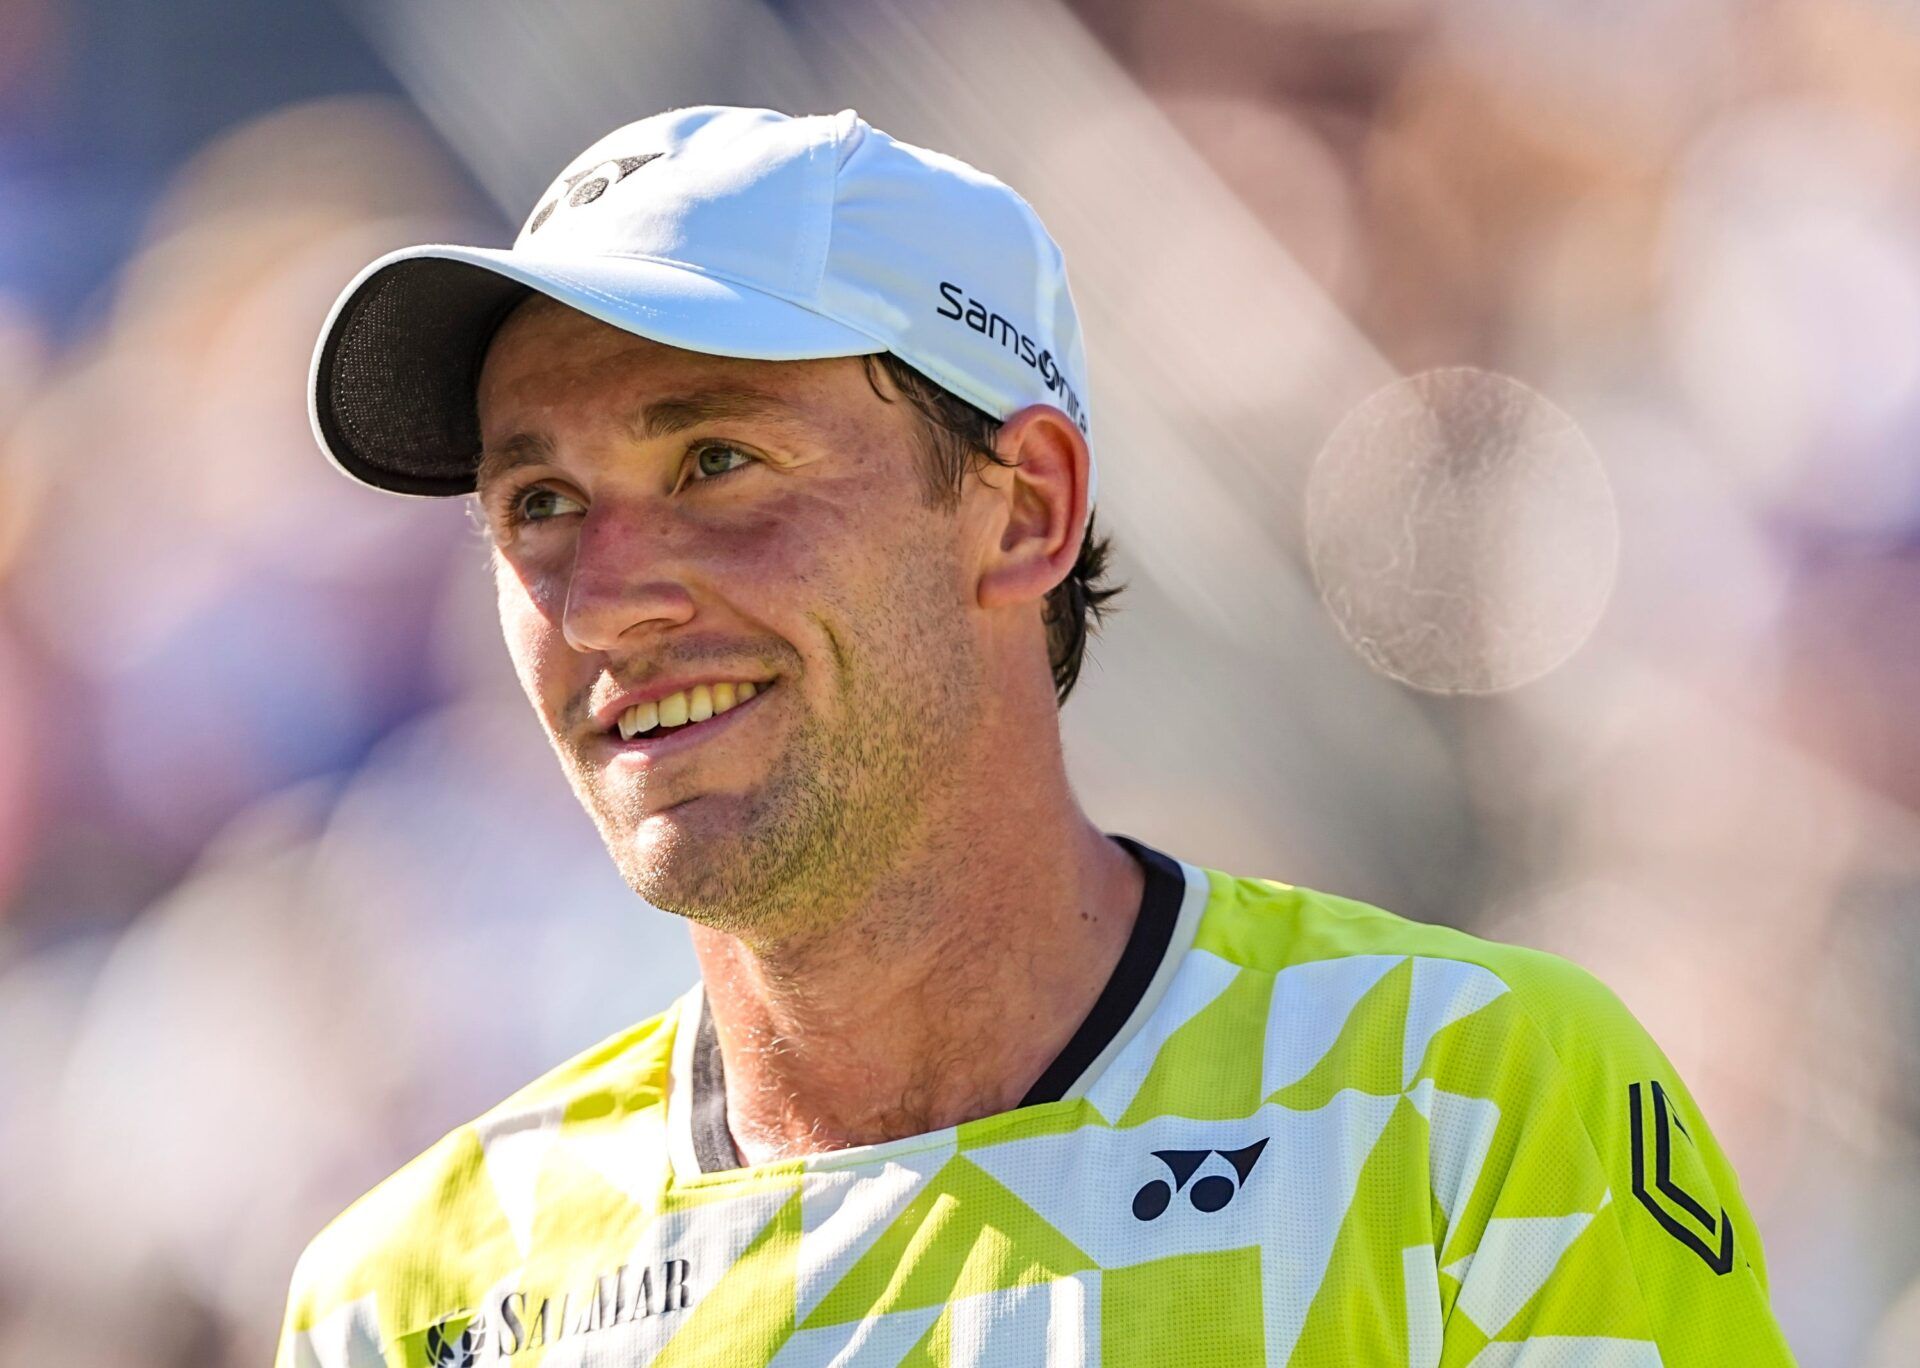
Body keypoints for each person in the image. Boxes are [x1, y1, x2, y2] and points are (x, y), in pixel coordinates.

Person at [276, 105, 1795, 1367]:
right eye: (537, 504)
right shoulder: (416, 1304)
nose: (604, 601)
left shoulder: (1464, 1104)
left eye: (718, 459)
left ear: (1025, 511)